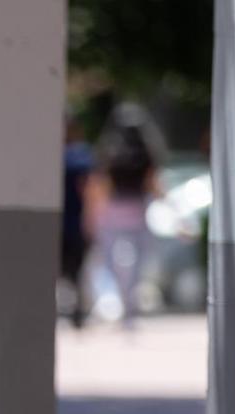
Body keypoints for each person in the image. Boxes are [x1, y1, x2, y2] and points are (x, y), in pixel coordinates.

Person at [88, 102, 166, 326]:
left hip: (113, 213)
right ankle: (129, 306)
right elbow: (154, 184)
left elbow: (101, 185)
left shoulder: (109, 149)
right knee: (139, 263)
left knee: (111, 261)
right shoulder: (147, 151)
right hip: (138, 212)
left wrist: (94, 214)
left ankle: (123, 299)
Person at [61, 116, 95, 328]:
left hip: (65, 223)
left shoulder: (63, 155)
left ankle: (75, 309)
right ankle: (77, 310)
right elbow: (90, 190)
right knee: (77, 271)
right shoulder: (82, 156)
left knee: (70, 270)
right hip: (75, 223)